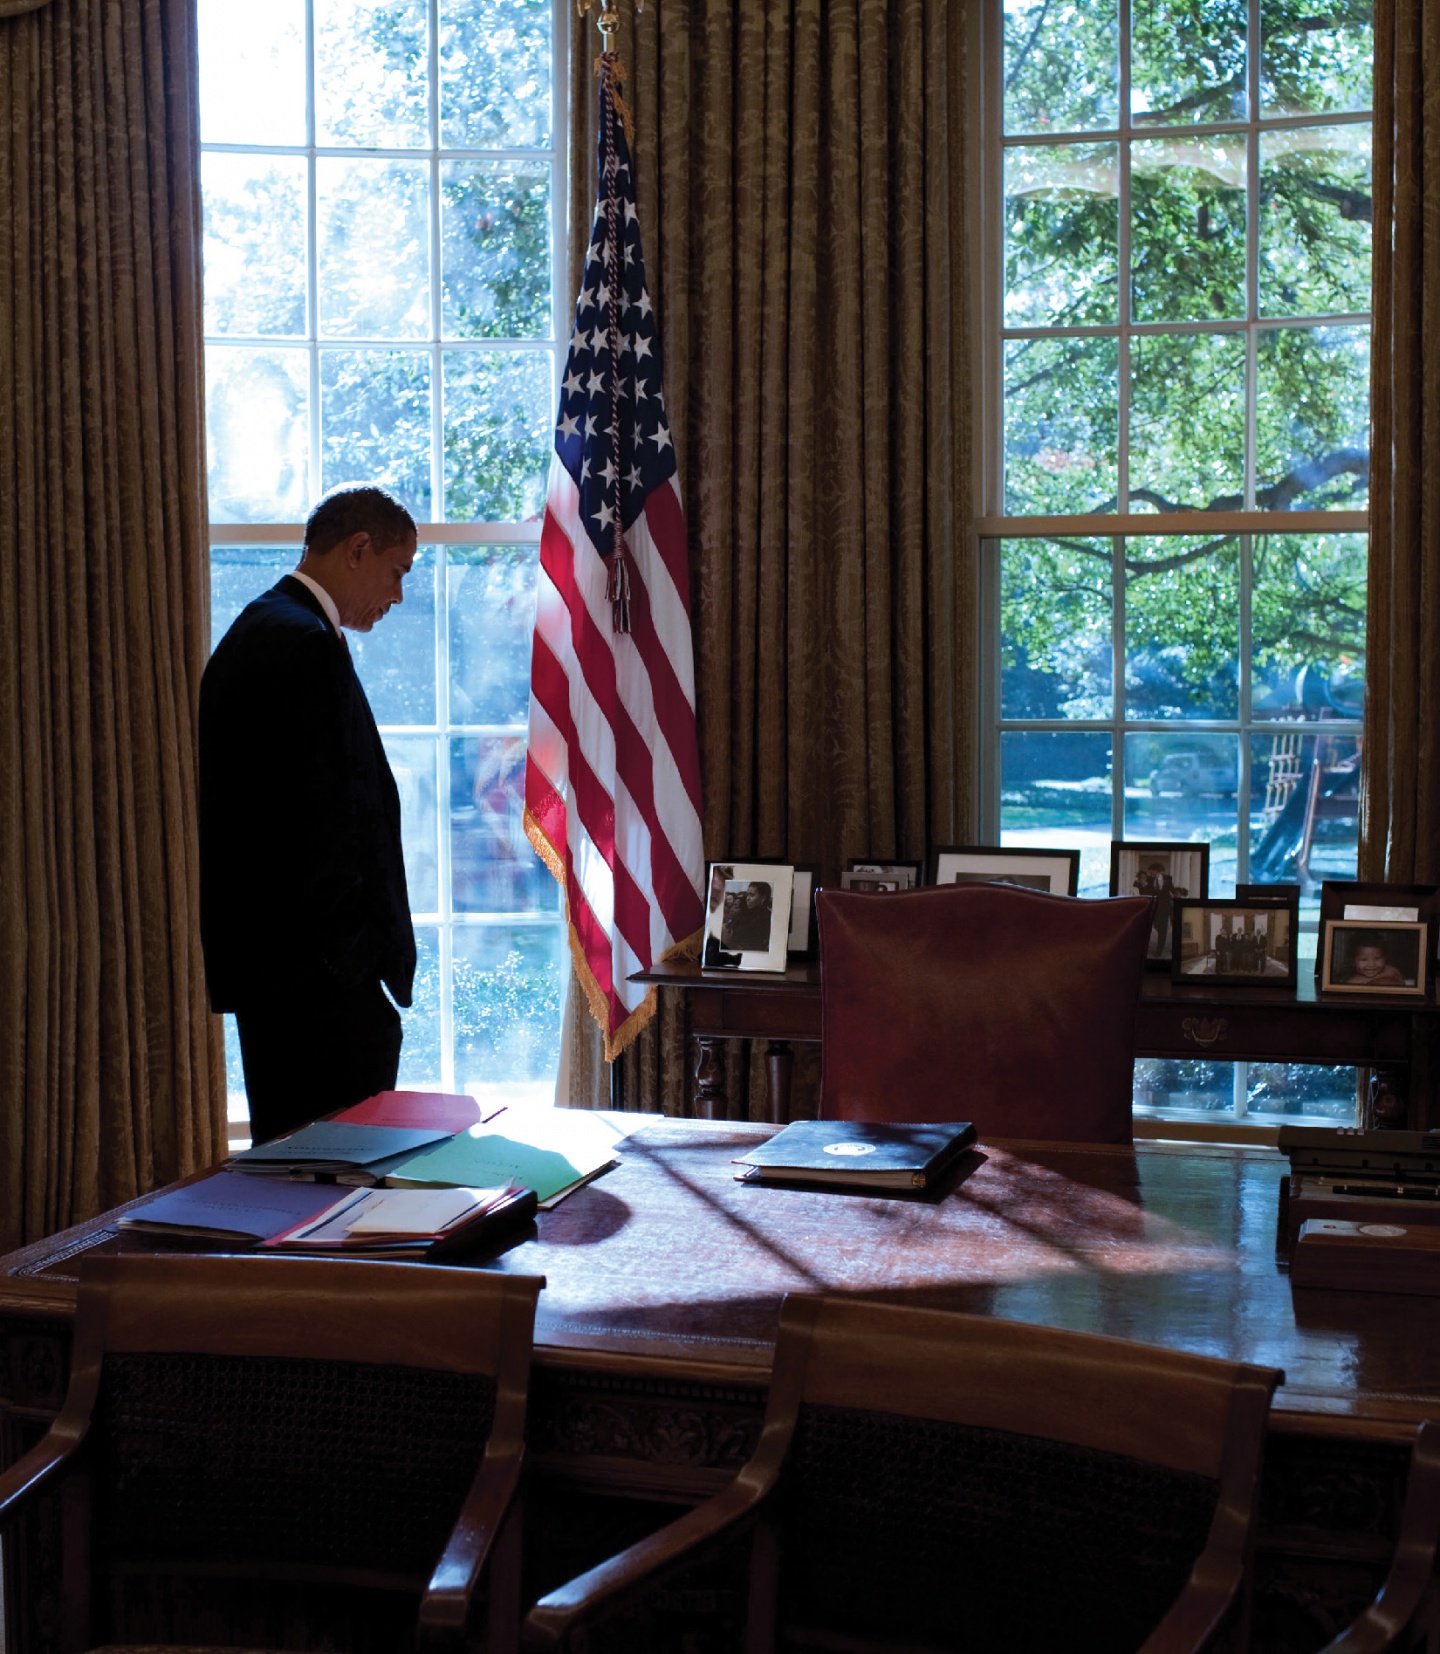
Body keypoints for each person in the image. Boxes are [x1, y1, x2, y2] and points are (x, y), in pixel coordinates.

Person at [199, 485, 419, 1143]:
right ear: (359, 548)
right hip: (315, 990)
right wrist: (354, 979)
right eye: (397, 570)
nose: (398, 595)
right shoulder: (303, 645)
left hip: (279, 980)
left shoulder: (261, 628)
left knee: (295, 1172)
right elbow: (324, 826)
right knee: (332, 1183)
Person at [1342, 934, 1408, 988]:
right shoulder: (1353, 983)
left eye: (1377, 958)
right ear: (1353, 962)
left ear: (1385, 958)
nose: (1371, 965)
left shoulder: (1392, 971)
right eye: (1364, 960)